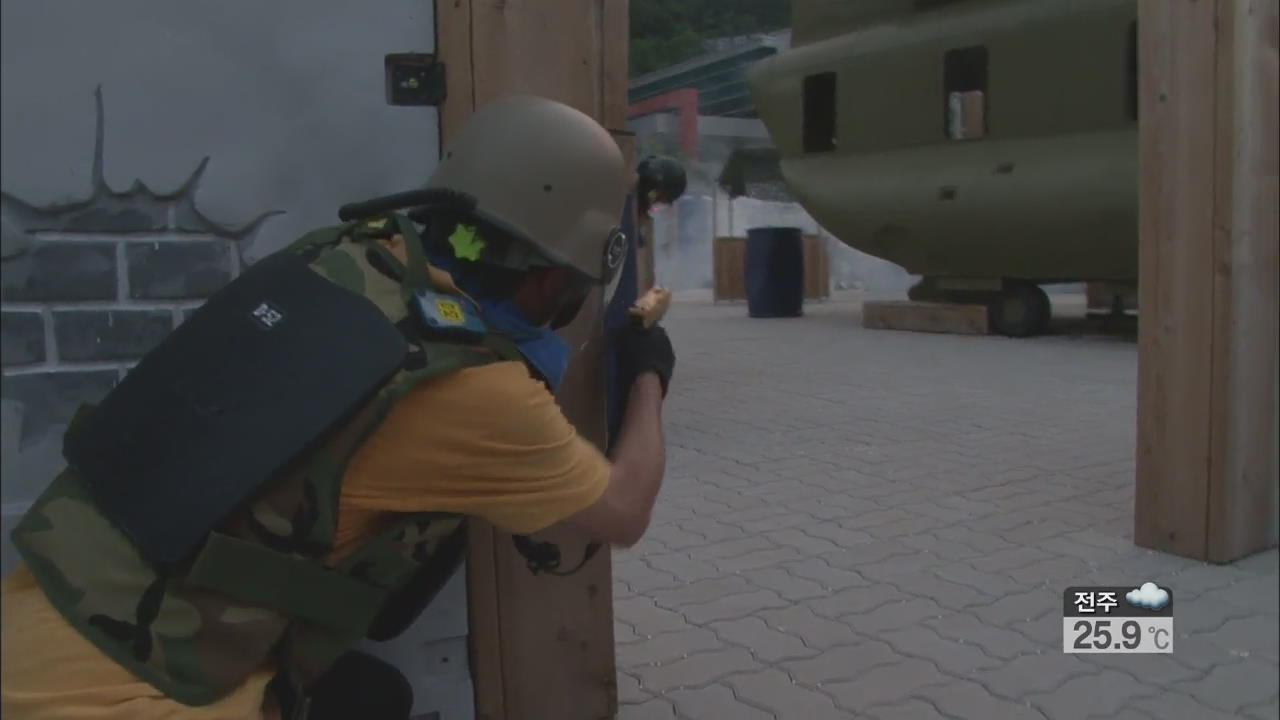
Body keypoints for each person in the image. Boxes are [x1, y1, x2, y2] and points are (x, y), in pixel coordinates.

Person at [0, 95, 675, 720]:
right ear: (555, 277)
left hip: (41, 619)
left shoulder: (341, 256)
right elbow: (622, 512)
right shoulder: (477, 390)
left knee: (372, 695)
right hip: (126, 697)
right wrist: (648, 378)